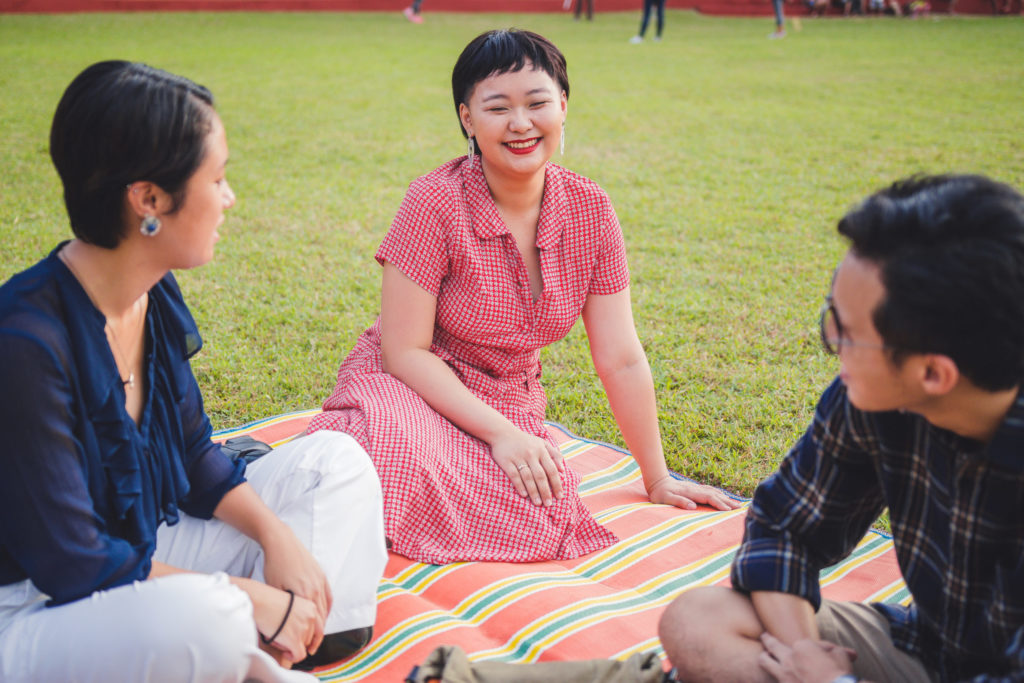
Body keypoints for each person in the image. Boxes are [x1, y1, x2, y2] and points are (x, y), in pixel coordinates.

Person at [0, 61, 387, 682]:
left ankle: (269, 646)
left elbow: (193, 454)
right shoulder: (25, 343)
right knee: (208, 616)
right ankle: (250, 649)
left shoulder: (150, 293)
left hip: (143, 549)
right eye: (219, 178)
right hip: (32, 608)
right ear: (149, 200)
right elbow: (71, 564)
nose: (229, 197)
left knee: (335, 465)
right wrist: (242, 593)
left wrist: (275, 539)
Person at [307, 29, 737, 566]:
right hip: (411, 384)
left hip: (508, 396)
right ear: (467, 118)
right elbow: (404, 351)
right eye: (497, 107)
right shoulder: (434, 200)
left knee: (542, 509)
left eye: (537, 103)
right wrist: (503, 437)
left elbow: (621, 357)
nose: (520, 123)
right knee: (395, 455)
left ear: (563, 106)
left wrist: (656, 477)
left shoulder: (590, 210)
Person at [657, 174, 1024, 682]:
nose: (830, 344)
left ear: (934, 373)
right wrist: (806, 655)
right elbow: (786, 528)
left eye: (847, 333)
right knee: (699, 621)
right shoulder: (876, 400)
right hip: (929, 650)